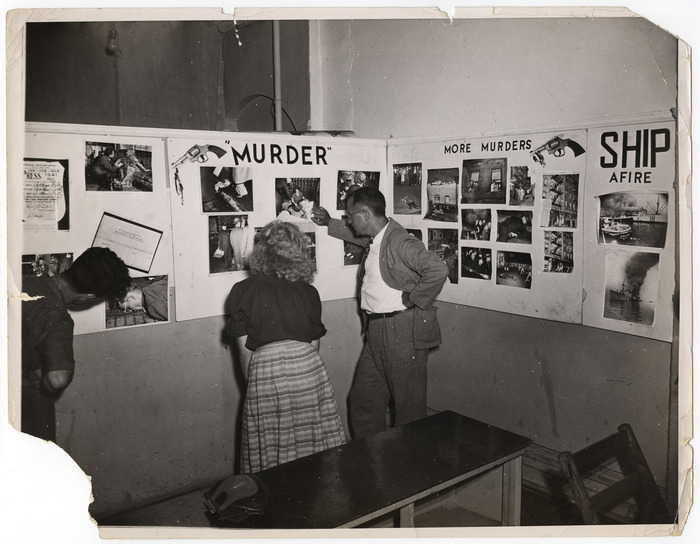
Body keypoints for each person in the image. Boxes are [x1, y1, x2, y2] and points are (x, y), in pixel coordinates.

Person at [312, 186, 449, 438]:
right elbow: (354, 235)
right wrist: (329, 222)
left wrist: (414, 298)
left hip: (402, 330)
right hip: (376, 331)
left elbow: (438, 269)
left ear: (365, 215)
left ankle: (409, 463)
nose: (349, 221)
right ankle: (374, 459)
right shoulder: (376, 237)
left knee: (409, 411)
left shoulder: (399, 240)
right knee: (364, 402)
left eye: (350, 216)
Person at [226, 220, 346, 473]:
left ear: (261, 250)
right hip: (307, 369)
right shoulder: (308, 292)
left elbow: (244, 353)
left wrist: (254, 386)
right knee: (311, 439)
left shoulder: (242, 290)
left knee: (271, 443)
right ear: (298, 251)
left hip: (266, 372)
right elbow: (314, 345)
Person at [21, 247, 131, 441]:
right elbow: (57, 379)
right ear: (89, 297)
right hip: (22, 408)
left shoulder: (23, 280)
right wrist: (40, 382)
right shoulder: (57, 317)